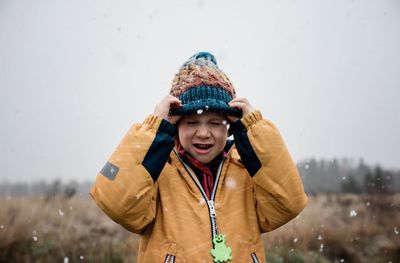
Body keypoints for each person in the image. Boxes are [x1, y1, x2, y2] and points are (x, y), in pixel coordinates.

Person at [90, 52, 308, 263]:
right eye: (192, 122)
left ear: (230, 126)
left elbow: (288, 204)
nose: (203, 133)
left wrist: (254, 129)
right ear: (175, 125)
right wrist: (153, 129)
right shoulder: (157, 171)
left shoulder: (247, 170)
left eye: (215, 123)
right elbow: (115, 203)